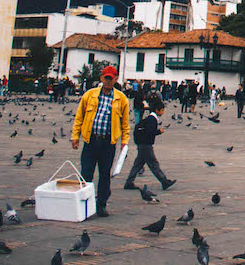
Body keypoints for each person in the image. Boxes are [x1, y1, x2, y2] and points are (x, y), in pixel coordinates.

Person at [71, 65, 130, 217]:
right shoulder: (89, 95)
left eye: (111, 78)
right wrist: (75, 136)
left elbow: (125, 124)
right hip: (91, 141)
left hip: (108, 143)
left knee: (105, 175)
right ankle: (84, 203)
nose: (108, 81)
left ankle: (101, 204)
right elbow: (79, 117)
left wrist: (124, 141)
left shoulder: (121, 99)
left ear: (116, 79)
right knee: (86, 174)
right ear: (101, 78)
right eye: (106, 78)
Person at [124, 93, 175, 191]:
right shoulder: (153, 119)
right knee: (153, 164)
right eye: (162, 110)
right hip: (146, 145)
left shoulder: (149, 118)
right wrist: (159, 132)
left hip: (141, 144)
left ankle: (129, 182)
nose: (163, 112)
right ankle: (164, 181)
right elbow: (150, 132)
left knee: (138, 164)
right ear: (157, 110)